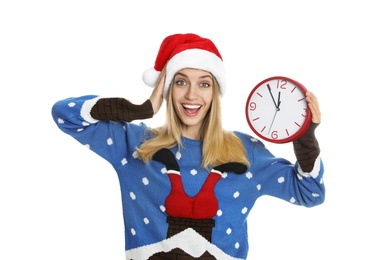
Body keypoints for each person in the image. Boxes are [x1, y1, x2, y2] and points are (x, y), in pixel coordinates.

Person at [51, 33, 325, 260]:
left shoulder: (245, 151)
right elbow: (65, 114)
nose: (192, 95)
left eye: (204, 84)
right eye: (181, 82)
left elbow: (310, 193)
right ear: (167, 88)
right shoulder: (136, 145)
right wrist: (142, 108)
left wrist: (304, 138)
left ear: (215, 92)